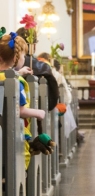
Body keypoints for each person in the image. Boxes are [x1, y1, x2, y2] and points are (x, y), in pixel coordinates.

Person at [0, 30, 45, 170]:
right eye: (23, 55)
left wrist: (18, 72)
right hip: (11, 140)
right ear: (16, 57)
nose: (24, 58)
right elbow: (19, 110)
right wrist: (38, 113)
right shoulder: (17, 82)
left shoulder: (8, 78)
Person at [16, 27, 59, 111]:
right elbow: (53, 98)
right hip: (37, 112)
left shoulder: (9, 65)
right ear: (34, 45)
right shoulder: (44, 68)